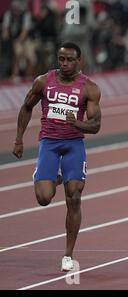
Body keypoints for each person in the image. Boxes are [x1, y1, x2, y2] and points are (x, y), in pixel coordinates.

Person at [12, 42, 102, 271]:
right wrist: (19, 139)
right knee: (44, 198)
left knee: (74, 198)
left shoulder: (89, 88)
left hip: (73, 145)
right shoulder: (43, 81)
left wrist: (77, 123)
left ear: (79, 61)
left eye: (70, 60)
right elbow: (26, 107)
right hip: (49, 144)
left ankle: (68, 255)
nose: (65, 64)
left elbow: (95, 125)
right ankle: (52, 176)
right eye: (61, 59)